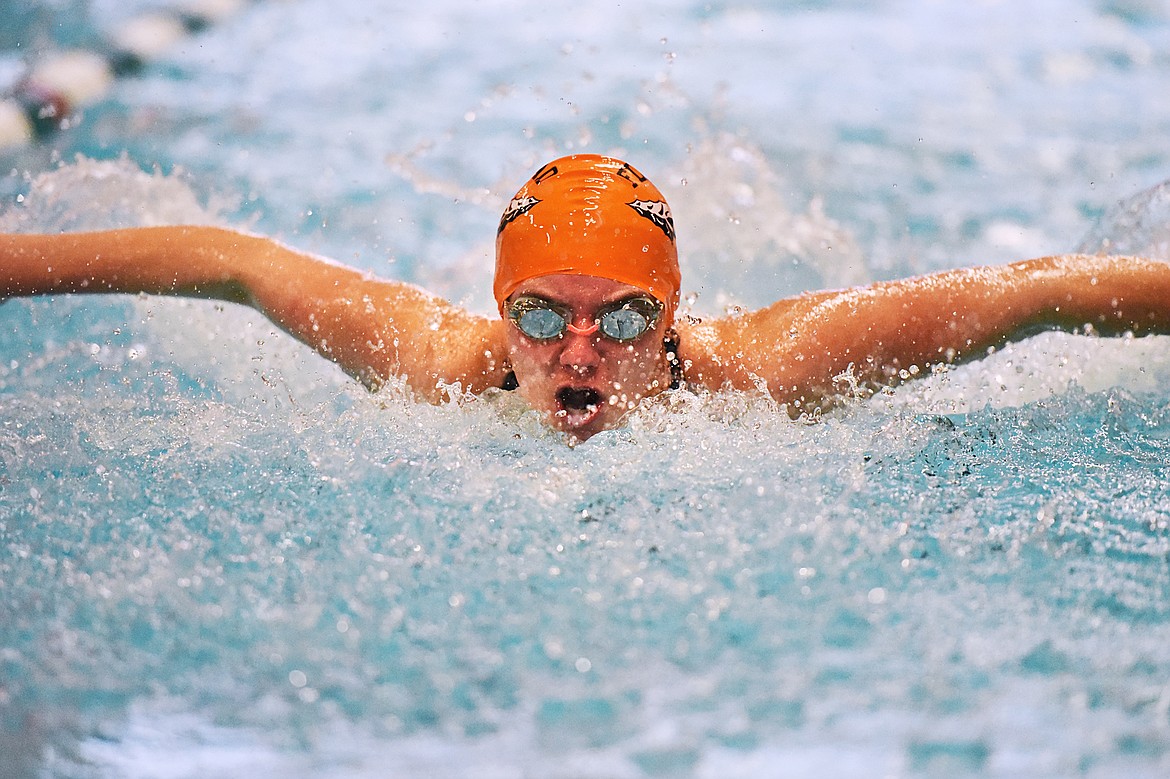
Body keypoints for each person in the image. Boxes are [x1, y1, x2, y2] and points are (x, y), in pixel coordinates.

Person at [3, 153, 1170, 442]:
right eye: (541, 315)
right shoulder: (432, 364)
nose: (578, 351)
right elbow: (229, 263)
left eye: (620, 317)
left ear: (670, 314)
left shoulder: (772, 370)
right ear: (496, 308)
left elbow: (1041, 292)